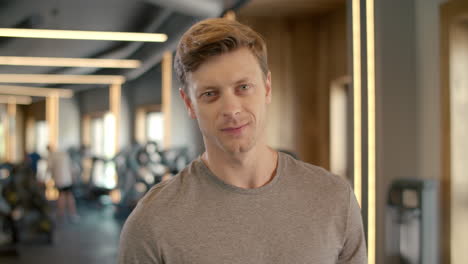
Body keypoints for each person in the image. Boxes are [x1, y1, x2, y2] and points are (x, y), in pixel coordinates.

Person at [119, 18, 367, 263]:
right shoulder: (152, 221)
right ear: (189, 104)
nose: (231, 109)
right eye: (210, 94)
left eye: (243, 87)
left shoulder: (334, 199)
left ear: (267, 87)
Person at [47, 145, 79, 222]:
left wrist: (52, 177)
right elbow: (74, 168)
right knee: (69, 196)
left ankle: (61, 214)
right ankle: (72, 214)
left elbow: (49, 168)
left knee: (61, 196)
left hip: (60, 180)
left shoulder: (52, 156)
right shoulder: (65, 155)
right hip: (67, 180)